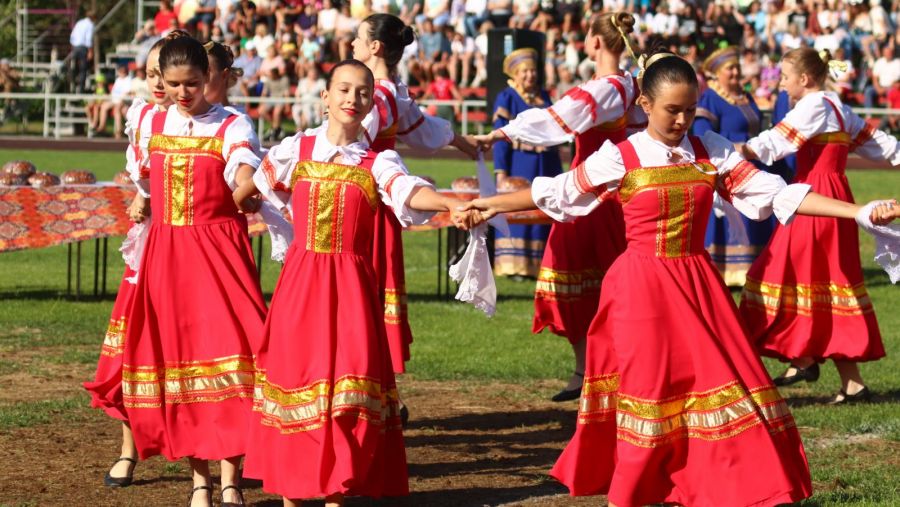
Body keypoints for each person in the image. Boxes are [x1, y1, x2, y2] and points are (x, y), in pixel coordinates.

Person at [463, 49, 900, 507]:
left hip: (697, 286)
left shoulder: (709, 149)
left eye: (690, 109)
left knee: (726, 385)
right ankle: (632, 492)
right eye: (673, 109)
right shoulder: (622, 156)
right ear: (645, 106)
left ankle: (723, 484)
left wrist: (860, 212)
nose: (683, 119)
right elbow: (557, 193)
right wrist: (485, 204)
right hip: (638, 291)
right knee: (650, 392)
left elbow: (778, 194)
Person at [237, 59, 477, 507]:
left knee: (349, 391)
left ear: (371, 103)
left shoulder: (378, 160)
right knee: (298, 382)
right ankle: (294, 492)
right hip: (301, 284)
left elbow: (407, 191)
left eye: (363, 92)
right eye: (344, 90)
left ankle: (336, 493)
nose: (353, 99)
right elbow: (259, 187)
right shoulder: (297, 148)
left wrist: (447, 201)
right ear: (325, 96)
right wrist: (229, 210)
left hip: (351, 288)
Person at [125, 35, 267, 507]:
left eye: (192, 83)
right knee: (181, 366)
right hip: (168, 255)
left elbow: (244, 173)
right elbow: (145, 181)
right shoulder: (150, 122)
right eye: (174, 84)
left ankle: (231, 477)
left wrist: (249, 186)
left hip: (219, 251)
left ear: (209, 78)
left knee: (233, 358)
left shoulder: (231, 125)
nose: (184, 93)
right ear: (161, 82)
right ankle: (199, 482)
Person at [474, 12, 643, 402]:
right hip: (603, 191)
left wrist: (500, 133)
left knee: (583, 280)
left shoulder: (608, 87)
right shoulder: (628, 84)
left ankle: (600, 371)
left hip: (593, 198)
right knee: (587, 283)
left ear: (595, 42)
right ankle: (588, 370)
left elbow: (556, 121)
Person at [738, 48, 900, 403]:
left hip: (812, 198)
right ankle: (847, 381)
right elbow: (881, 144)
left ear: (805, 79)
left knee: (781, 273)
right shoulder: (839, 107)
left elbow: (775, 142)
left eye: (784, 78)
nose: (781, 86)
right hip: (836, 195)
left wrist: (739, 150)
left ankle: (803, 356)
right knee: (824, 278)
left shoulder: (813, 106)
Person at [349, 13, 478, 385]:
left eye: (358, 39)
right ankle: (380, 388)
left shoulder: (378, 94)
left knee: (361, 292)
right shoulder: (390, 90)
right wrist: (459, 139)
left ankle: (372, 387)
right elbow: (423, 129)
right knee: (368, 293)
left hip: (365, 200)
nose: (353, 46)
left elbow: (352, 140)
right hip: (376, 200)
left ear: (375, 46)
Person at [82, 30, 184, 491]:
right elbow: (141, 172)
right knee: (134, 347)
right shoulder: (142, 116)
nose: (157, 84)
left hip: (189, 250)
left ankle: (216, 460)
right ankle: (129, 449)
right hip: (147, 248)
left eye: (164, 74)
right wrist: (143, 197)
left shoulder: (202, 121)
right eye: (150, 74)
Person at [692, 46, 781, 287]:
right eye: (729, 69)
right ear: (717, 74)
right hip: (727, 167)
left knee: (757, 215)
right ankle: (726, 272)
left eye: (737, 68)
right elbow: (702, 135)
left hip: (752, 163)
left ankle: (755, 269)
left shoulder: (746, 96)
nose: (734, 73)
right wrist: (736, 147)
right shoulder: (710, 98)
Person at [488, 47, 562, 278]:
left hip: (546, 163)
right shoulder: (507, 97)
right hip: (520, 164)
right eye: (525, 71)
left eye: (532, 71)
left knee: (543, 210)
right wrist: (501, 171)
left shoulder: (544, 96)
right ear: (515, 74)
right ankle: (513, 266)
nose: (530, 75)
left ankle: (540, 262)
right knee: (518, 211)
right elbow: (500, 137)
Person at [91, 65, 132, 138]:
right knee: (103, 106)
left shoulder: (128, 80)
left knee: (117, 109)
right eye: (120, 70)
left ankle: (118, 131)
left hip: (123, 101)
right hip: (114, 100)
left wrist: (120, 101)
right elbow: (113, 93)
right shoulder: (118, 79)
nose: (121, 72)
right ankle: (101, 128)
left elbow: (127, 93)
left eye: (122, 70)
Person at [70, 10, 96, 94]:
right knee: (83, 69)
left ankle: (72, 87)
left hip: (75, 47)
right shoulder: (90, 25)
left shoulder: (79, 22)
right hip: (83, 48)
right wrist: (90, 51)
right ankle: (81, 90)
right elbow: (88, 40)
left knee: (74, 68)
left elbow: (72, 36)